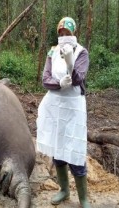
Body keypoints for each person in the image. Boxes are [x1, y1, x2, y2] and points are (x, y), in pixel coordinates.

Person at [36, 17, 90, 208]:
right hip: (55, 105)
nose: (64, 37)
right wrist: (58, 84)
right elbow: (45, 79)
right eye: (61, 33)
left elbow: (78, 79)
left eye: (68, 33)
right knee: (58, 150)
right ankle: (64, 190)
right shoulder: (52, 52)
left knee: (75, 151)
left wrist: (70, 63)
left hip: (73, 107)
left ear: (74, 33)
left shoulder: (82, 53)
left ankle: (83, 198)